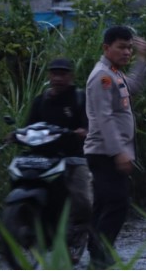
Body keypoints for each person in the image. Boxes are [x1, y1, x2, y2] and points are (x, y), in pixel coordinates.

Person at [84, 25, 146, 268]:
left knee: (104, 203)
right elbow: (104, 118)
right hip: (105, 152)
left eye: (129, 48)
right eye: (121, 47)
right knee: (117, 203)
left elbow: (132, 87)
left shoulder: (113, 73)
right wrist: (119, 152)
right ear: (106, 48)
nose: (126, 53)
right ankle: (100, 255)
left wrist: (142, 60)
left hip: (108, 152)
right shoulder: (101, 76)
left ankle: (97, 253)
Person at [25, 57, 92, 263]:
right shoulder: (41, 101)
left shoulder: (80, 99)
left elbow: (89, 126)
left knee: (84, 201)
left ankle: (77, 238)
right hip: (45, 159)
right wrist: (17, 134)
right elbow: (29, 126)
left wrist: (83, 131)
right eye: (55, 74)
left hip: (74, 158)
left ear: (71, 76)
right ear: (49, 76)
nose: (58, 78)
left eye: (63, 74)